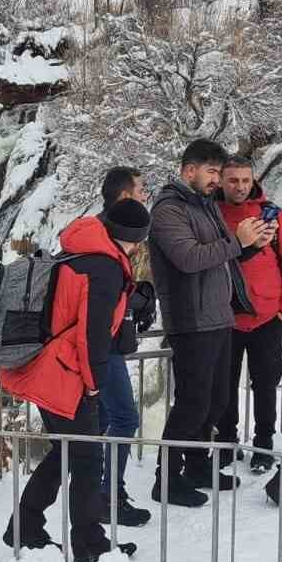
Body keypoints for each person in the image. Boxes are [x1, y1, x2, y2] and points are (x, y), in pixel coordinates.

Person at [0, 199, 150, 561]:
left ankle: (25, 527)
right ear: (135, 239)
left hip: (41, 364)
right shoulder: (106, 268)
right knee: (87, 459)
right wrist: (94, 382)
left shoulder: (77, 250)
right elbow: (92, 332)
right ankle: (89, 546)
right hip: (65, 374)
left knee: (67, 452)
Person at [148, 139, 268, 506]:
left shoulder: (203, 206)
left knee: (216, 402)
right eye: (212, 172)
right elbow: (188, 258)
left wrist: (251, 245)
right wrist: (236, 241)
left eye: (219, 172)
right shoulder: (168, 210)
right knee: (192, 404)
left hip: (218, 316)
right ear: (189, 171)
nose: (217, 179)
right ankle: (165, 479)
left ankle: (197, 467)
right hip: (190, 320)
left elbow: (220, 256)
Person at [214, 157, 282, 472]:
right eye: (233, 180)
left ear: (253, 180)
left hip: (267, 318)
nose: (240, 186)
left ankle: (264, 443)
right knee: (223, 384)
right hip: (224, 318)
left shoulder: (272, 215)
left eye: (245, 180)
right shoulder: (211, 215)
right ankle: (227, 441)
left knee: (265, 384)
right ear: (222, 181)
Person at [95, 167, 152, 527]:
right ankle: (108, 495)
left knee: (103, 418)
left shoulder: (97, 231)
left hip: (105, 343)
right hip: (104, 346)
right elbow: (104, 296)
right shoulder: (110, 238)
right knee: (125, 417)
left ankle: (97, 490)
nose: (146, 194)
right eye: (142, 190)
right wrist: (136, 300)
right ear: (126, 197)